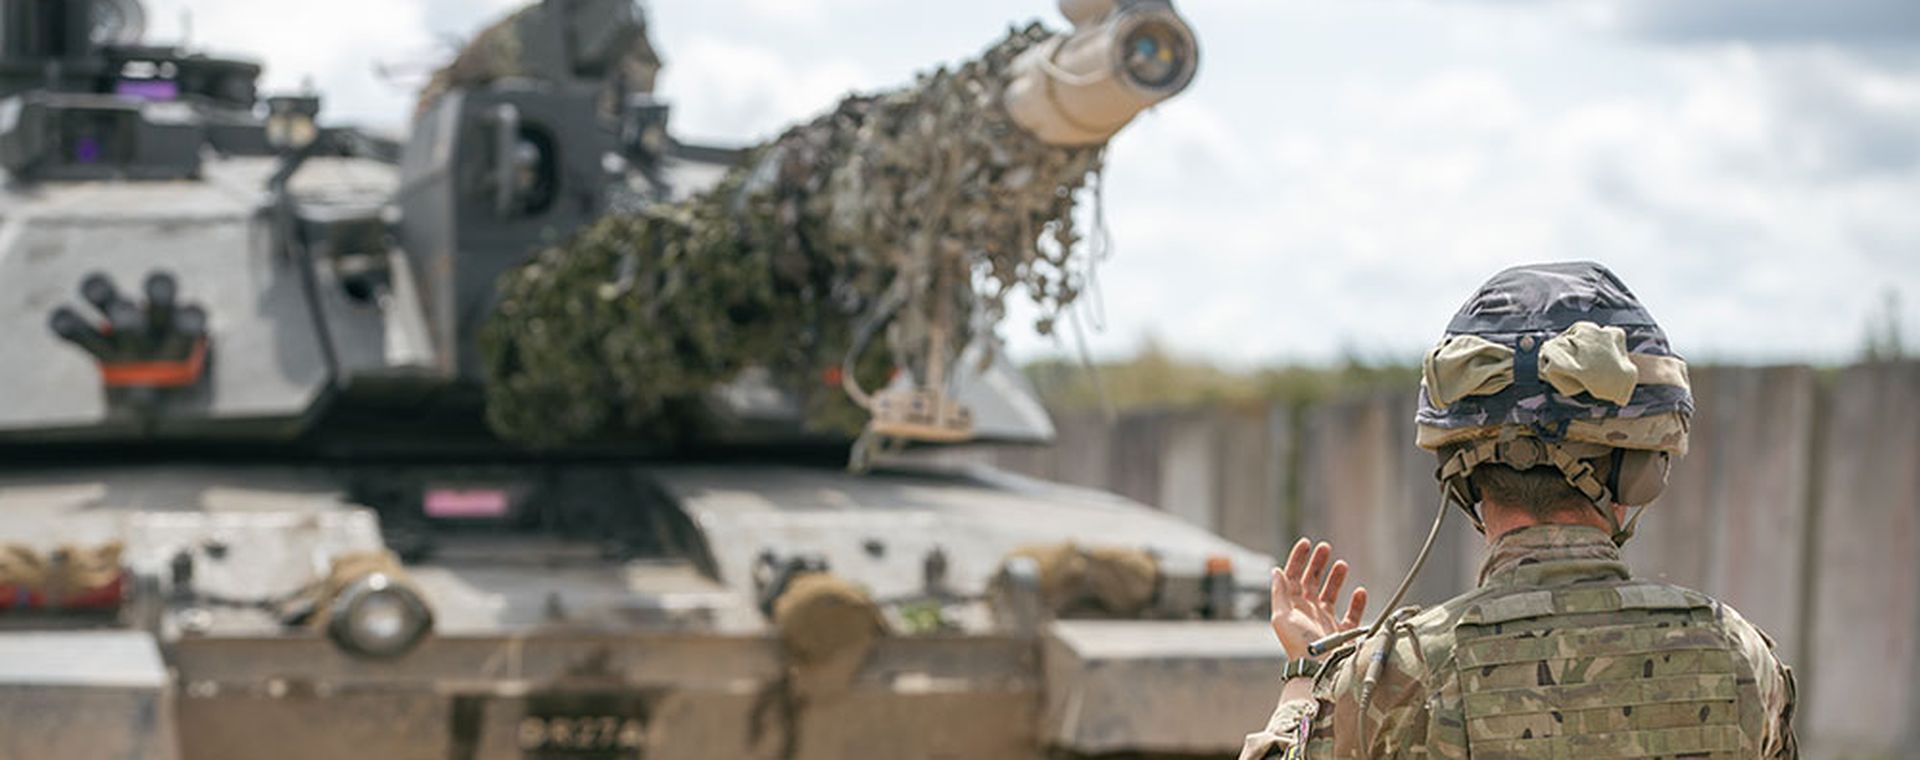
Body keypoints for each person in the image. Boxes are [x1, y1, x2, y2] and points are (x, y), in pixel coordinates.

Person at [1242, 262, 1797, 759]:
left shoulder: (1389, 678)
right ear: (1640, 470)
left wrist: (1310, 677)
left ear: (1460, 470)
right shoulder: (1737, 656)